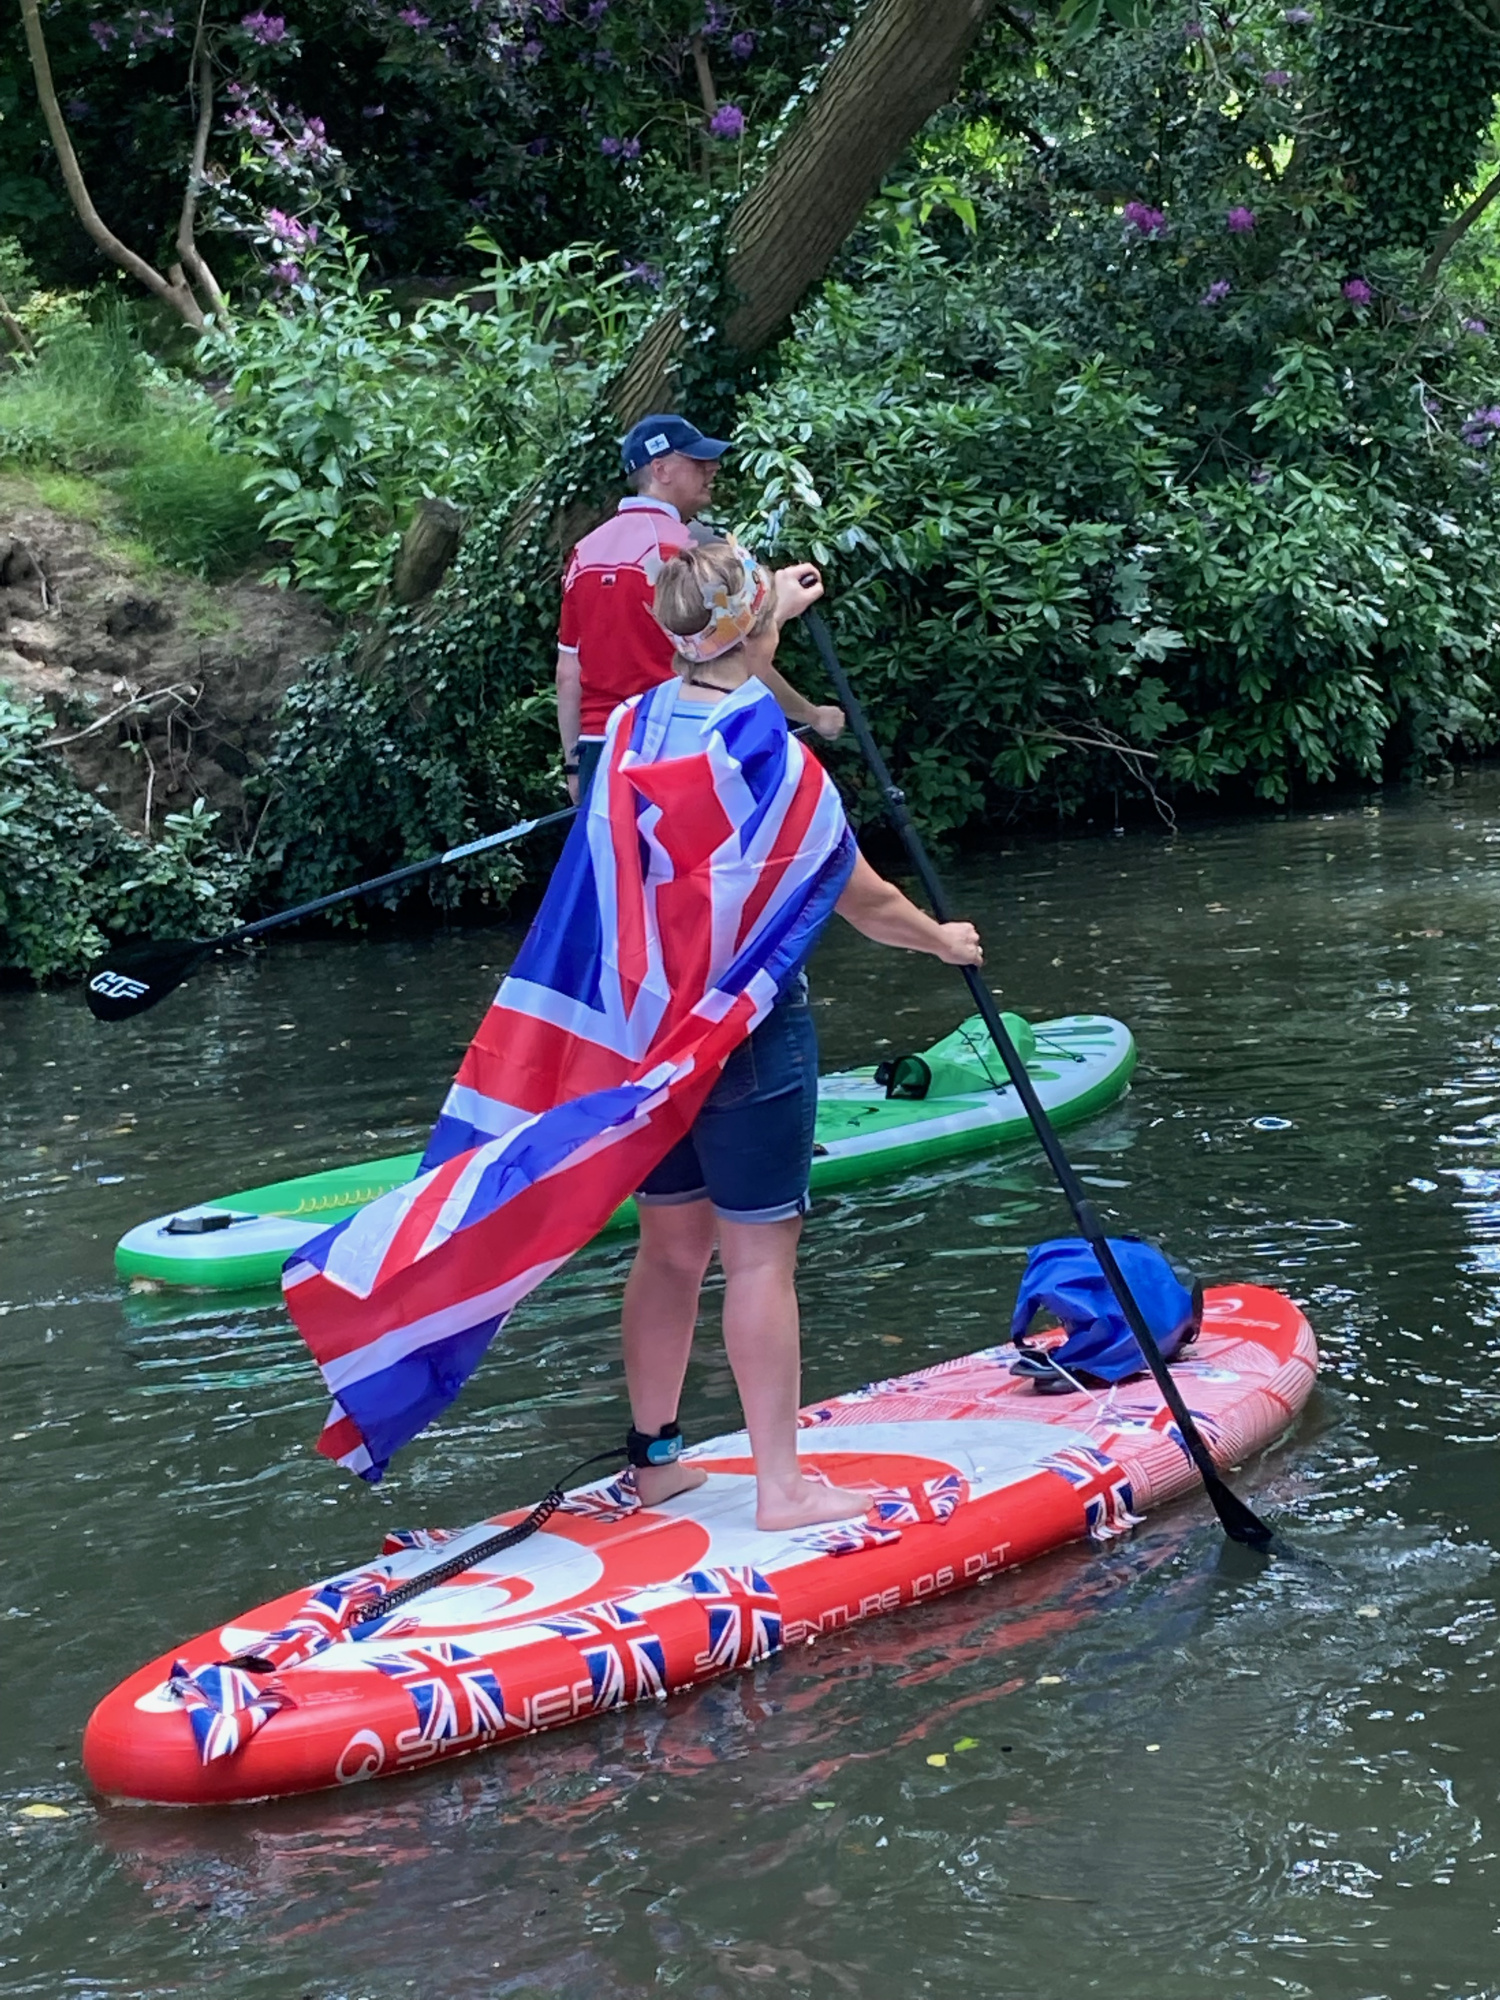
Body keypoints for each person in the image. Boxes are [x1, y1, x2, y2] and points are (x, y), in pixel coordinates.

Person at [617, 539, 983, 1532]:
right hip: (748, 1029)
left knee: (669, 1251)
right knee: (758, 1258)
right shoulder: (777, 762)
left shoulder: (632, 727)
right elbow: (865, 902)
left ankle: (657, 1464)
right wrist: (943, 940)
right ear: (756, 632)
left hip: (652, 1032)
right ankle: (781, 1488)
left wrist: (766, 604)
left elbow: (723, 644)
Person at [554, 412, 845, 803]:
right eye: (697, 461)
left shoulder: (582, 553)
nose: (712, 468)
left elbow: (568, 673)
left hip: (599, 751)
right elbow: (737, 658)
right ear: (661, 469)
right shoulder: (697, 551)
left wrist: (574, 768)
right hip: (679, 743)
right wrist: (813, 712)